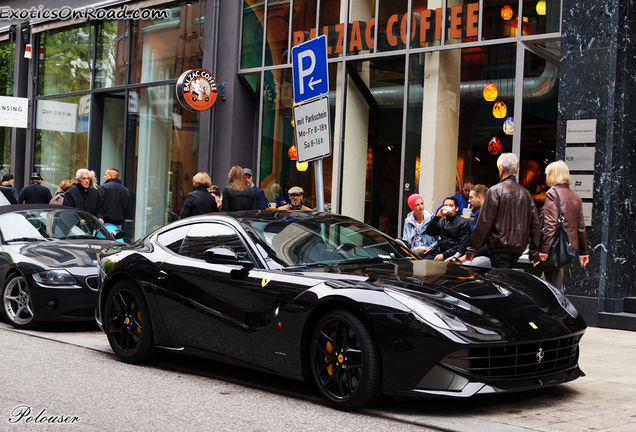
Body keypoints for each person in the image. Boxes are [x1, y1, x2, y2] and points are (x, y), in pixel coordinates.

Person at [461, 153, 541, 269]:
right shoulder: (526, 194)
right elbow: (535, 225)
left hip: (498, 246)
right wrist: (533, 252)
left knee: (502, 281)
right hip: (518, 248)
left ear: (501, 169)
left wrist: (471, 250)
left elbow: (484, 223)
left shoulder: (495, 191)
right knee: (505, 278)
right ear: (517, 171)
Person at [537, 160, 589, 292]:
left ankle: (557, 312)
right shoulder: (575, 196)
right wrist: (584, 253)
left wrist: (544, 250)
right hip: (569, 249)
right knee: (548, 284)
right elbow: (581, 227)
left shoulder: (552, 193)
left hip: (555, 247)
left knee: (553, 289)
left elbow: (550, 225)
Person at [425, 196, 471, 261]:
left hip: (454, 255)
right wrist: (437, 217)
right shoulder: (442, 221)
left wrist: (444, 255)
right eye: (446, 206)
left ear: (456, 208)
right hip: (440, 252)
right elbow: (429, 232)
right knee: (426, 261)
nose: (448, 207)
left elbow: (461, 244)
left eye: (451, 206)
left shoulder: (463, 223)